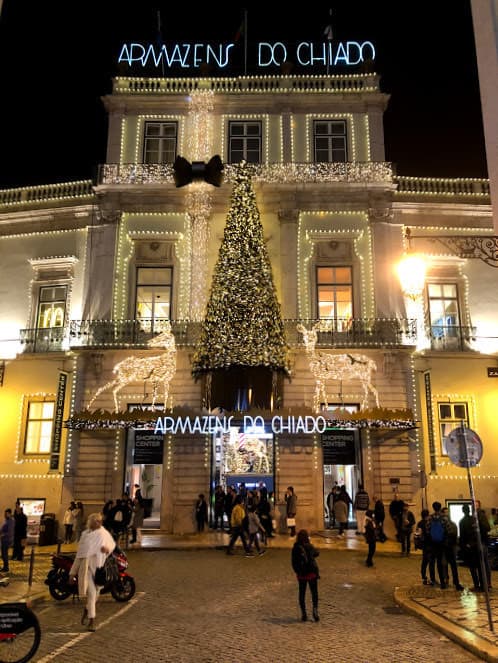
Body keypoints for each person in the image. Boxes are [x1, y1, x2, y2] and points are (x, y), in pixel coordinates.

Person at [70, 512, 115, 632]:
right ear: (92, 522)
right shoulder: (85, 535)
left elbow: (111, 545)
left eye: (100, 521)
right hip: (87, 569)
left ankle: (87, 609)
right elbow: (79, 555)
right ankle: (91, 621)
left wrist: (107, 549)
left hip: (99, 569)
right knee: (91, 594)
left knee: (96, 596)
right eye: (97, 521)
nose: (99, 523)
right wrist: (72, 573)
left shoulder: (104, 533)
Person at [291, 529, 320, 622]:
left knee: (302, 593)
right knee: (314, 593)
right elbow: (317, 553)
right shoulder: (309, 546)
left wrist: (297, 571)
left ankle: (304, 613)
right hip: (311, 573)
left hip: (301, 574)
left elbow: (293, 562)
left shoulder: (295, 548)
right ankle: (315, 610)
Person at [426, 501, 450, 588]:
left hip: (433, 543)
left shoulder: (430, 518)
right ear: (440, 508)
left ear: (433, 508)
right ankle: (442, 582)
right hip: (441, 542)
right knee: (440, 562)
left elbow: (427, 530)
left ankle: (432, 580)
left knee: (432, 561)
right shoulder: (444, 517)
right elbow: (448, 529)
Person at [441, 507, 464, 590]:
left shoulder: (447, 523)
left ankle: (452, 581)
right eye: (446, 512)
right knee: (446, 565)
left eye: (448, 512)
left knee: (451, 565)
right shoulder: (449, 523)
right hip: (447, 547)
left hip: (448, 546)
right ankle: (448, 580)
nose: (447, 514)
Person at [415, 509, 432, 584]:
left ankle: (424, 576)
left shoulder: (420, 523)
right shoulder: (429, 523)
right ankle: (432, 577)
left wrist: (416, 544)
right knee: (430, 561)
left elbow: (417, 534)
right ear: (427, 515)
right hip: (430, 543)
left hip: (424, 544)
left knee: (424, 561)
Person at [0, 509, 15, 573]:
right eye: (5, 514)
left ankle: (6, 567)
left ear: (9, 513)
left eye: (6, 514)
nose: (5, 515)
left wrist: (2, 535)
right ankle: (5, 566)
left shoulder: (11, 521)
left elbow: (10, 532)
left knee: (4, 554)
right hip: (4, 540)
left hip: (7, 540)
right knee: (3, 554)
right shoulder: (7, 520)